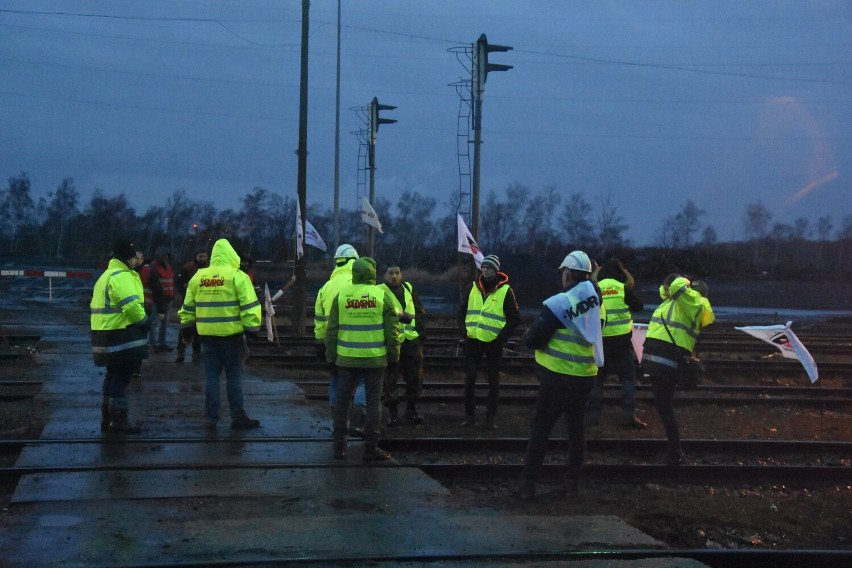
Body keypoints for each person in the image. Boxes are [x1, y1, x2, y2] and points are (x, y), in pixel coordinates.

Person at [516, 251, 604, 500]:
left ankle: (528, 484)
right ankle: (572, 483)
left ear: (567, 273)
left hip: (556, 377)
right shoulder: (597, 301)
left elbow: (534, 337)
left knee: (541, 430)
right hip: (585, 377)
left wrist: (526, 338)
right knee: (576, 431)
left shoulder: (559, 303)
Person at [178, 238, 263, 430]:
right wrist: (252, 330)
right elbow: (250, 306)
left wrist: (187, 328)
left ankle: (211, 418)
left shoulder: (199, 277)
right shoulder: (237, 276)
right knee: (234, 377)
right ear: (231, 254)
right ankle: (238, 417)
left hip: (207, 336)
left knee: (211, 378)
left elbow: (188, 306)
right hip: (232, 337)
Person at [325, 257, 400, 461]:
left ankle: (339, 447)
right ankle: (371, 448)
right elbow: (392, 331)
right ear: (372, 274)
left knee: (342, 402)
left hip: (346, 359)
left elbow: (331, 331)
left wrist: (331, 357)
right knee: (374, 402)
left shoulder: (341, 297)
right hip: (375, 359)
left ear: (354, 273)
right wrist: (394, 356)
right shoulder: (381, 296)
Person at [642, 274, 715, 465]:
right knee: (663, 404)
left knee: (664, 405)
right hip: (664, 354)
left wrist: (683, 280)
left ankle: (675, 451)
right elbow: (667, 290)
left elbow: (677, 287)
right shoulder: (684, 303)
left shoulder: (694, 300)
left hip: (665, 354)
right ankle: (674, 450)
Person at [90, 239, 151, 434]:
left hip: (103, 334)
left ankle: (106, 419)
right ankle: (119, 422)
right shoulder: (122, 276)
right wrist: (144, 322)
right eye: (134, 258)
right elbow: (131, 305)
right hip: (121, 335)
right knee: (121, 378)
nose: (136, 261)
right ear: (127, 258)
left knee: (111, 376)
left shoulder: (106, 276)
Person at [458, 254, 520, 429]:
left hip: (493, 343)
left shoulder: (506, 291)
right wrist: (464, 331)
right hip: (472, 340)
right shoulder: (473, 288)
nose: (485, 271)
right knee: (470, 379)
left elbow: (515, 318)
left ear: (496, 270)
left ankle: (490, 418)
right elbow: (461, 311)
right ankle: (469, 417)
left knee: (493, 382)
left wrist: (501, 338)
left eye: (489, 268)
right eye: (483, 268)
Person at [586, 258, 647, 429]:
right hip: (621, 343)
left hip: (601, 341)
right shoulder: (622, 288)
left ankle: (594, 415)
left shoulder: (595, 288)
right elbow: (639, 307)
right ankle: (629, 415)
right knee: (628, 379)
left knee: (597, 380)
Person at [314, 244, 367, 438]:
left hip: (334, 343)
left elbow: (319, 321)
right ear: (355, 261)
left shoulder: (325, 287)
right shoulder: (362, 283)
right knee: (363, 380)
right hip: (361, 341)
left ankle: (338, 421)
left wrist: (320, 342)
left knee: (336, 380)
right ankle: (358, 420)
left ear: (337, 262)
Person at [378, 264, 427, 426]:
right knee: (390, 379)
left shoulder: (408, 288)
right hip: (392, 341)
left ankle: (411, 411)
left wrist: (420, 333)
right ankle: (393, 415)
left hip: (411, 341)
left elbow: (419, 311)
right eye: (390, 273)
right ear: (385, 275)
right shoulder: (379, 291)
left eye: (397, 273)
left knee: (414, 377)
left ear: (401, 275)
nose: (394, 276)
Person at [174, 249, 210, 363]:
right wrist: (185, 291)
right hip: (188, 301)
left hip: (203, 302)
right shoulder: (187, 268)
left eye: (205, 256)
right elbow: (179, 283)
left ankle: (196, 353)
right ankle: (181, 352)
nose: (203, 258)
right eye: (201, 256)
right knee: (185, 327)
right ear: (196, 256)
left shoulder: (210, 269)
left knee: (199, 330)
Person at [148, 246, 176, 353]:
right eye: (164, 255)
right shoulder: (154, 267)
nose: (166, 257)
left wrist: (172, 295)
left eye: (167, 256)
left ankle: (161, 343)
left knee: (164, 322)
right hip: (157, 299)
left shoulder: (168, 266)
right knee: (154, 321)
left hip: (167, 298)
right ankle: (153, 343)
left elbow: (170, 281)